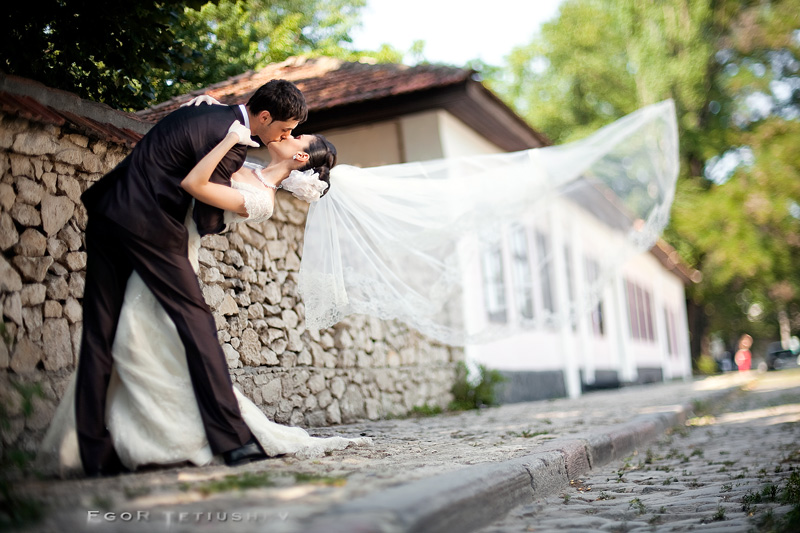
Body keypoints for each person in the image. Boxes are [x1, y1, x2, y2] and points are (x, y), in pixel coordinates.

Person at [37, 107, 367, 478]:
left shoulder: (262, 198)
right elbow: (208, 154)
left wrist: (227, 135)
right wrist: (213, 111)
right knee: (132, 342)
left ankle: (168, 437)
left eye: (296, 135)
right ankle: (121, 439)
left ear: (300, 156)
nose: (287, 134)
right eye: (289, 128)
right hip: (154, 239)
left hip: (174, 252)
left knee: (147, 341)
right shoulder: (249, 167)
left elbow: (197, 183)